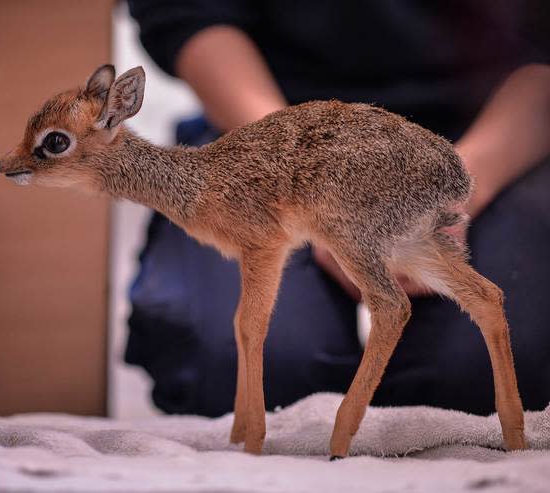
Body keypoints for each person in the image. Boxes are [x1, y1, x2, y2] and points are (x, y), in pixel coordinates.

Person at [124, 0, 550, 418]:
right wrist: (299, 176)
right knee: (248, 367)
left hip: (499, 128)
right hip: (264, 125)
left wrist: (457, 186)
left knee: (477, 378)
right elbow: (187, 13)